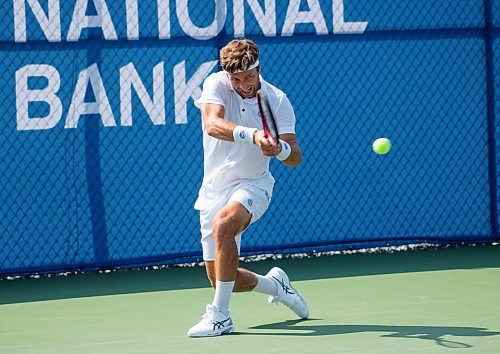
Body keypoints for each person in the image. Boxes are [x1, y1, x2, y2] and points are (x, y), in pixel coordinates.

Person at [188, 39, 308, 338]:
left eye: (249, 77)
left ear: (258, 69)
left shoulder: (277, 100)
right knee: (221, 279)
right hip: (214, 188)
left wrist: (278, 148)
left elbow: (294, 157)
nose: (243, 84)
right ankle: (275, 285)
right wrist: (253, 135)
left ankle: (220, 317)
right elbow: (212, 124)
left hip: (253, 184)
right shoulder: (216, 83)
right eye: (236, 79)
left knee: (224, 225)